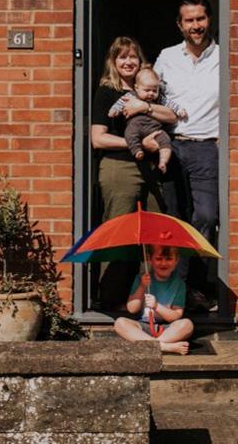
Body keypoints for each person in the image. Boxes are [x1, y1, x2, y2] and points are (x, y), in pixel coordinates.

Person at [92, 37, 178, 309]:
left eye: (133, 57)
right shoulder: (107, 92)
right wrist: (138, 145)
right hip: (120, 167)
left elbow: (173, 117)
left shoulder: (149, 91)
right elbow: (98, 138)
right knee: (119, 230)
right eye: (122, 57)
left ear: (141, 62)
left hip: (151, 169)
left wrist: (148, 106)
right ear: (113, 62)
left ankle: (147, 300)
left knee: (154, 231)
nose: (128, 62)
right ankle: (111, 298)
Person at [154, 0, 220, 311]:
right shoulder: (166, 57)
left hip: (209, 147)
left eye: (201, 19)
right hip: (174, 146)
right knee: (174, 221)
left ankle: (193, 285)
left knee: (206, 218)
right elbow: (150, 94)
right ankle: (174, 291)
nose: (196, 26)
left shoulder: (225, 56)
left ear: (209, 20)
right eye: (190, 20)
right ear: (180, 25)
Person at [113, 245, 193, 355]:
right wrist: (142, 286)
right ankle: (163, 347)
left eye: (169, 259)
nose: (163, 263)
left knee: (187, 325)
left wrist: (157, 306)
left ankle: (150, 345)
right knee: (120, 323)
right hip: (142, 326)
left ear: (176, 260)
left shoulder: (179, 284)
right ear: (150, 259)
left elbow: (176, 315)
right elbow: (132, 309)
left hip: (167, 330)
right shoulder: (141, 278)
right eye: (158, 259)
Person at [107, 66, 187, 173]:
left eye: (155, 90)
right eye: (147, 90)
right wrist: (115, 110)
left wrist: (179, 110)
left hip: (154, 128)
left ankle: (163, 161)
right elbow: (120, 103)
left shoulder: (159, 99)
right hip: (135, 126)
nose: (151, 93)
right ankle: (137, 150)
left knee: (165, 139)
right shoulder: (131, 96)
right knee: (130, 134)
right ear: (136, 87)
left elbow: (170, 104)